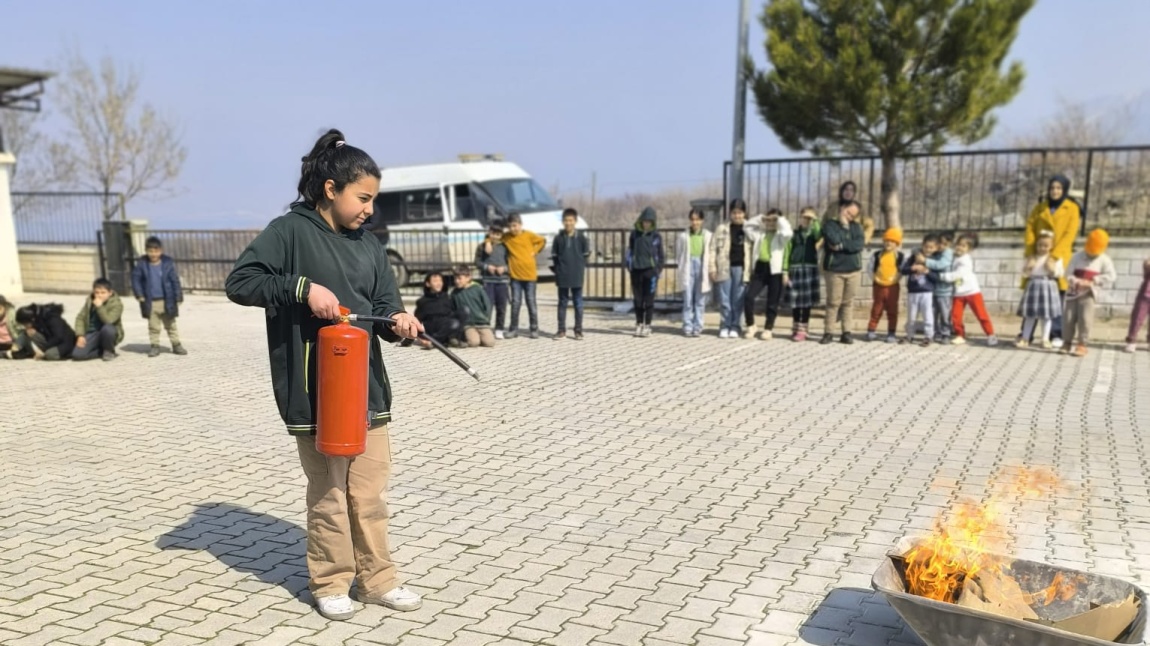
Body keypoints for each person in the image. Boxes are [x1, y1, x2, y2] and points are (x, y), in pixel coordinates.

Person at [225, 129, 424, 621]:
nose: (369, 209)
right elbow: (240, 282)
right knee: (331, 494)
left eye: (373, 199)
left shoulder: (370, 246)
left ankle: (378, 581)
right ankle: (330, 581)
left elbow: (383, 306)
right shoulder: (289, 231)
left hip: (367, 392)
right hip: (316, 393)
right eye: (363, 197)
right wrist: (300, 288)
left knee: (369, 492)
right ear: (331, 189)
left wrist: (400, 322)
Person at [1023, 175, 1081, 348]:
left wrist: (1053, 256)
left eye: (1058, 188)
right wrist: (1032, 252)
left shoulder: (1072, 208)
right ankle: (1026, 334)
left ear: (1064, 190)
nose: (1055, 191)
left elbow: (1069, 234)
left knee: (1056, 299)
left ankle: (1055, 334)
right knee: (1032, 298)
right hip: (1038, 255)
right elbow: (1030, 229)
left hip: (1059, 257)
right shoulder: (1039, 208)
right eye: (1052, 188)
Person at [1063, 229, 1117, 358]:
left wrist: (1094, 280)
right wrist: (1075, 280)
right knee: (1068, 318)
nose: (1091, 254)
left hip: (1089, 295)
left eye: (1094, 252)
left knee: (1085, 319)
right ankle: (1066, 342)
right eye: (1089, 251)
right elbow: (1067, 273)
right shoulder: (1076, 257)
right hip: (1072, 293)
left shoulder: (1105, 260)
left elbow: (1111, 276)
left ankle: (1082, 344)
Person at [131, 236, 187, 358]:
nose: (153, 254)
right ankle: (155, 346)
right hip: (151, 301)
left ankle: (176, 345)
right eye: (150, 251)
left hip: (167, 300)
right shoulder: (142, 264)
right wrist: (139, 294)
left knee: (171, 325)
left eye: (156, 251)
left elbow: (174, 280)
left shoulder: (167, 263)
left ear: (161, 251)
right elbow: (136, 280)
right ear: (146, 251)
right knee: (153, 326)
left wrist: (178, 297)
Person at [742, 209, 793, 340]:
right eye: (768, 220)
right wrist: (761, 218)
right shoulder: (760, 233)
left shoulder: (781, 235)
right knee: (749, 297)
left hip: (775, 271)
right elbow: (746, 226)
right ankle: (751, 325)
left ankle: (768, 329)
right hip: (760, 269)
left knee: (772, 302)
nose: (770, 223)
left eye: (773, 220)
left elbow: (788, 231)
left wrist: (779, 219)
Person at [940, 234, 998, 346]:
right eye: (958, 244)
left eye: (963, 246)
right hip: (958, 293)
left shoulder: (966, 260)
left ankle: (991, 335)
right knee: (955, 316)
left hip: (972, 292)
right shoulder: (953, 256)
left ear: (969, 249)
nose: (959, 247)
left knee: (981, 314)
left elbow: (958, 274)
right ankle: (960, 335)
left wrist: (942, 276)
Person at [820, 200, 865, 345]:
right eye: (848, 212)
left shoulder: (857, 227)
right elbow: (833, 238)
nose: (849, 217)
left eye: (852, 216)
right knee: (833, 302)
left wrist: (840, 246)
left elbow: (858, 245)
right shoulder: (830, 225)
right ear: (842, 208)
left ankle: (846, 333)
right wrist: (844, 232)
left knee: (848, 303)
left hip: (853, 270)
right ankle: (828, 332)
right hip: (835, 270)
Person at [1014, 231, 1063, 350]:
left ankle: (1045, 339)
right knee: (1030, 315)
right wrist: (1028, 267)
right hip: (1033, 285)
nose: (1042, 248)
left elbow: (1060, 273)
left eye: (1046, 246)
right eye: (1040, 245)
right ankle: (1025, 338)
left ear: (1051, 246)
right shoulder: (1031, 258)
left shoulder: (1054, 259)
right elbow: (1023, 273)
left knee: (1046, 316)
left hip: (1047, 285)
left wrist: (1052, 270)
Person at [709, 199, 749, 339]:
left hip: (741, 268)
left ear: (744, 213)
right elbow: (712, 249)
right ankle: (725, 325)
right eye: (734, 212)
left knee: (738, 299)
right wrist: (712, 268)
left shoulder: (750, 229)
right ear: (730, 213)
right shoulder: (722, 228)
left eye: (740, 213)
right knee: (725, 299)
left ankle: (736, 326)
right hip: (724, 267)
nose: (737, 215)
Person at [502, 212, 545, 339]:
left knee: (531, 302)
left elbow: (542, 241)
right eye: (510, 226)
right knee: (515, 303)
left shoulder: (529, 235)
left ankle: (534, 328)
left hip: (530, 276)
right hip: (515, 276)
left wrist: (535, 251)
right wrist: (488, 241)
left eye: (515, 225)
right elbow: (494, 237)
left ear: (520, 225)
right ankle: (513, 329)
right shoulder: (507, 237)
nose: (513, 229)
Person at [551, 208, 591, 340]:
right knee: (562, 302)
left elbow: (585, 255)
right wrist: (559, 269)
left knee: (578, 302)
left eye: (571, 220)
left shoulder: (581, 238)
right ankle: (561, 330)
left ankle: (578, 330)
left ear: (575, 221)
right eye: (566, 220)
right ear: (562, 221)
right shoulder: (558, 238)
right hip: (562, 275)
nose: (568, 223)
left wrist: (578, 267)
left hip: (577, 275)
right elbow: (555, 257)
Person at [626, 207, 664, 337]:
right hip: (636, 271)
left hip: (651, 272)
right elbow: (629, 252)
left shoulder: (656, 236)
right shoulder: (634, 234)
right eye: (644, 221)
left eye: (649, 221)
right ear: (641, 221)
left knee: (649, 300)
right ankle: (638, 323)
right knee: (638, 300)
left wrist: (658, 269)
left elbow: (660, 255)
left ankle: (647, 325)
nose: (646, 223)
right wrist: (629, 265)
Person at [786, 207, 821, 342]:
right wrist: (786, 270)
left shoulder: (813, 234)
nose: (806, 220)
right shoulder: (794, 234)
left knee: (806, 302)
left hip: (809, 269)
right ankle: (795, 327)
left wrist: (815, 220)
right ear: (800, 217)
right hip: (795, 269)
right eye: (804, 217)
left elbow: (819, 235)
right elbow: (788, 252)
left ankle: (803, 330)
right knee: (795, 301)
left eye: (809, 218)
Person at [677, 208, 713, 337]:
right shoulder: (683, 236)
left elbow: (711, 253)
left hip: (702, 266)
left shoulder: (708, 235)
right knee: (688, 298)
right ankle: (687, 325)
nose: (695, 222)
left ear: (702, 220)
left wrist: (710, 269)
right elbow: (679, 254)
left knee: (700, 299)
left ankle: (698, 326)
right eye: (692, 219)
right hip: (688, 266)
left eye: (698, 219)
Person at [866, 228, 904, 344]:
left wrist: (896, 279)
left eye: (892, 241)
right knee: (877, 309)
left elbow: (902, 270)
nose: (889, 243)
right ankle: (871, 330)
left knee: (892, 310)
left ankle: (891, 333)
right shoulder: (877, 255)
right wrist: (874, 278)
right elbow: (870, 268)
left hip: (892, 287)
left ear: (896, 244)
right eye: (886, 240)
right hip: (878, 286)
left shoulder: (899, 256)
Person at [72, 278, 125, 362]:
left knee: (108, 328)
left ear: (110, 293)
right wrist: (80, 335)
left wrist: (100, 307)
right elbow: (80, 317)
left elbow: (108, 321)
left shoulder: (117, 304)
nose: (99, 295)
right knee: (77, 355)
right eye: (97, 292)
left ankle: (109, 351)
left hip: (108, 333)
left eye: (103, 293)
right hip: (92, 333)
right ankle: (100, 351)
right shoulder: (90, 301)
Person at [899, 233, 937, 347]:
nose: (928, 250)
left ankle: (928, 336)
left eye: (931, 247)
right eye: (926, 247)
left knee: (927, 315)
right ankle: (909, 335)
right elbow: (903, 270)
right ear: (922, 245)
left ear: (936, 248)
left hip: (927, 292)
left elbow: (936, 278)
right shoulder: (913, 257)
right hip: (913, 292)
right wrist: (912, 268)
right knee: (911, 315)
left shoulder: (933, 261)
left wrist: (927, 271)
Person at [475, 222, 510, 339]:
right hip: (488, 281)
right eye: (493, 233)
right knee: (487, 306)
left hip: (502, 281)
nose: (495, 236)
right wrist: (487, 267)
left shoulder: (505, 247)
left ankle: (499, 329)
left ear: (501, 235)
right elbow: (477, 262)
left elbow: (512, 263)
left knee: (501, 306)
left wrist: (504, 268)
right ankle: (486, 328)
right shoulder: (482, 246)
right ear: (489, 233)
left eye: (498, 234)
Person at [413, 272, 462, 348]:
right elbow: (416, 322)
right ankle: (434, 341)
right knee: (454, 323)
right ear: (428, 284)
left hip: (445, 325)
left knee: (464, 311)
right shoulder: (423, 301)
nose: (439, 283)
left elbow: (453, 313)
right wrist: (417, 338)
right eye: (435, 281)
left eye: (440, 281)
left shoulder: (446, 298)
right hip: (432, 327)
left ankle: (451, 338)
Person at [451, 266, 496, 348]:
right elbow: (453, 309)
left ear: (468, 278)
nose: (457, 281)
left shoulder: (478, 289)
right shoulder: (455, 293)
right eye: (455, 279)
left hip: (482, 322)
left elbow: (487, 304)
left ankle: (481, 334)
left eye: (459, 278)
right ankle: (466, 335)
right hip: (468, 324)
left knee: (489, 343)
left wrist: (486, 318)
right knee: (473, 343)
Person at [823, 181, 875, 247]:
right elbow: (824, 223)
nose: (848, 192)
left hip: (850, 246)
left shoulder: (858, 208)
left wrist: (863, 240)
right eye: (846, 189)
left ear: (854, 193)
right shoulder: (833, 207)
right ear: (841, 191)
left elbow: (869, 225)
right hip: (833, 244)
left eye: (851, 190)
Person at [927, 231, 956, 344]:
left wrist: (925, 261)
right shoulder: (936, 253)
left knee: (945, 314)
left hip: (945, 291)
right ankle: (935, 332)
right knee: (933, 313)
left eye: (944, 244)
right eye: (940, 243)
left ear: (949, 244)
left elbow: (940, 265)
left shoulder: (948, 253)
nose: (941, 246)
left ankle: (945, 334)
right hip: (934, 290)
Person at [1124, 257, 1150, 354]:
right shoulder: (1148, 262)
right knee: (1137, 317)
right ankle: (1132, 341)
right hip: (1145, 293)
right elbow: (1147, 267)